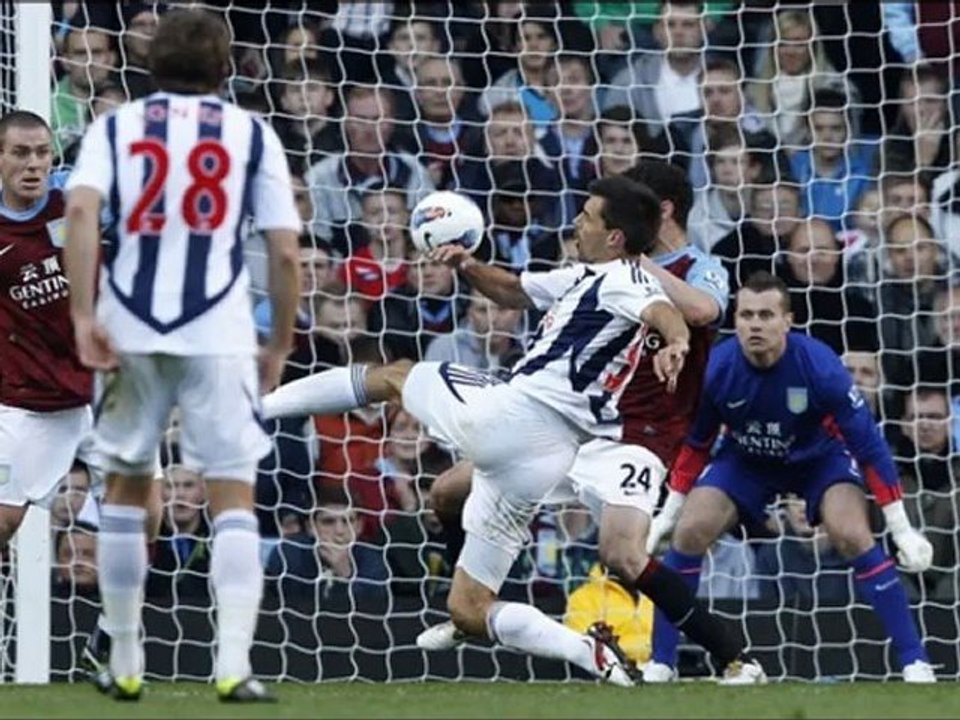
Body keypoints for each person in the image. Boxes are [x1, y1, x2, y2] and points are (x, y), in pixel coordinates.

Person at [261, 175, 708, 686]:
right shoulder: (585, 277)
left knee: (395, 375)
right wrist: (466, 265)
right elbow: (512, 290)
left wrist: (676, 341)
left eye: (586, 217)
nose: (575, 223)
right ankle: (588, 651)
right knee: (470, 609)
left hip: (517, 416)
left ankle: (259, 408)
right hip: (539, 458)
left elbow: (663, 312)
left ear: (614, 237)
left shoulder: (626, 279)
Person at [414, 160, 764, 684]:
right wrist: (467, 264)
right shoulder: (598, 272)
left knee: (622, 554)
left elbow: (703, 311)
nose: (589, 221)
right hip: (569, 423)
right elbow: (514, 291)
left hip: (638, 436)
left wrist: (633, 265)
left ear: (659, 211)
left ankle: (734, 656)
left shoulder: (699, 266)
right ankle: (470, 607)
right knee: (446, 492)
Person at [63, 8, 301, 703]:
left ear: (148, 63)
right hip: (218, 326)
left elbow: (79, 213)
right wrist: (280, 341)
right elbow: (285, 250)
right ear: (226, 68)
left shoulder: (116, 127)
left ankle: (124, 661)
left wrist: (83, 314)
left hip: (129, 323)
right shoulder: (251, 133)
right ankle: (233, 666)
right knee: (232, 491)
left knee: (125, 487)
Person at [646, 271, 938, 683]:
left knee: (852, 534)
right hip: (746, 460)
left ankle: (914, 660)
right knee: (690, 532)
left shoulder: (820, 367)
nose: (755, 325)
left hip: (819, 459)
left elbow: (870, 448)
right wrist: (667, 515)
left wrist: (902, 530)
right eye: (746, 315)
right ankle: (661, 662)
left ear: (788, 321)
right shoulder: (718, 367)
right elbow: (697, 444)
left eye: (766, 315)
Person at [0, 110, 164, 691]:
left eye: (42, 152)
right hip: (29, 400)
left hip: (107, 386)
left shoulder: (78, 200)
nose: (33, 164)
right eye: (20, 153)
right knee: (5, 522)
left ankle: (114, 633)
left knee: (145, 514)